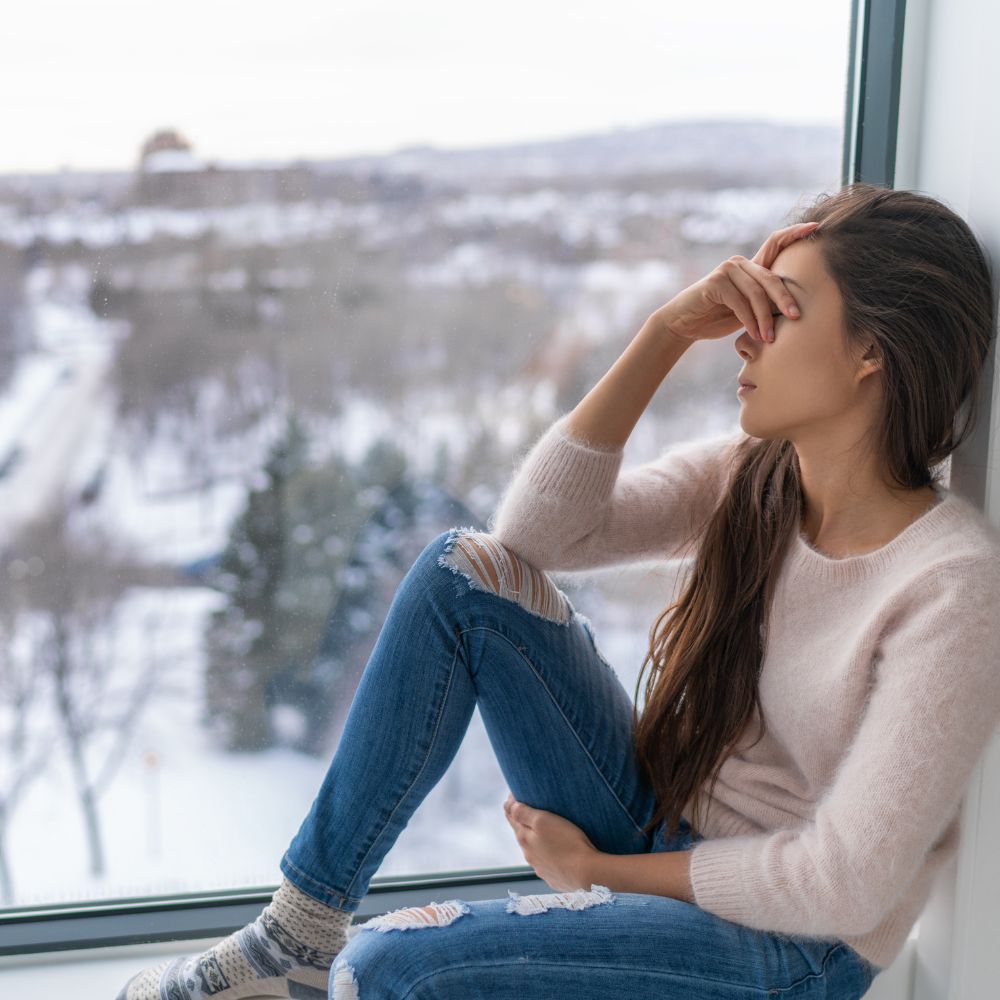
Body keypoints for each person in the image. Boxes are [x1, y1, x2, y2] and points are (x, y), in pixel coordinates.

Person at [115, 182, 1000, 1000]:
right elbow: (535, 540)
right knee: (458, 574)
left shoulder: (949, 587)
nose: (745, 335)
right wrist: (661, 333)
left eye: (781, 312)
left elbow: (842, 884)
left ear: (871, 354)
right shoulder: (756, 479)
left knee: (391, 969)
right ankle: (293, 938)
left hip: (790, 943)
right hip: (666, 825)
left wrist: (602, 875)